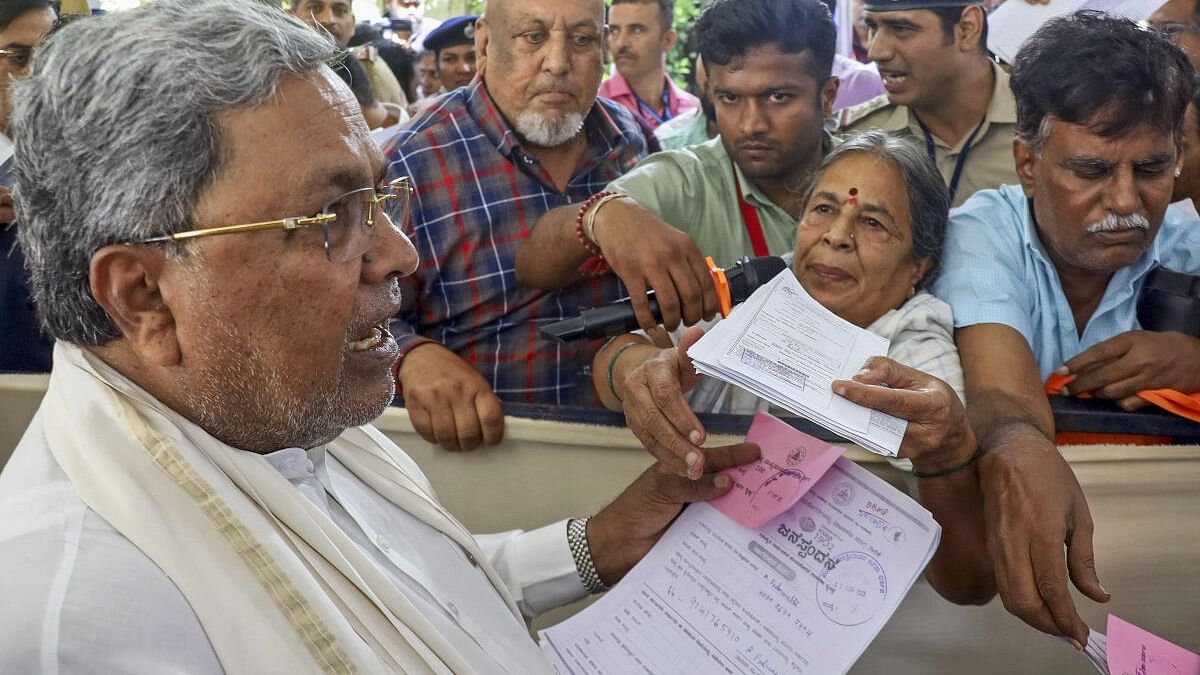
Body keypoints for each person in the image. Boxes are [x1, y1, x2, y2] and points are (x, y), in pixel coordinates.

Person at [0, 1, 757, 671]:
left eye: (378, 196)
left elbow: (415, 585)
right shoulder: (78, 616)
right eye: (332, 218)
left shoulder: (274, 408)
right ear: (144, 295)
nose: (401, 254)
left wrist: (600, 542)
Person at [603, 132, 996, 604]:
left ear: (919, 266)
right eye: (824, 209)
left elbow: (969, 583)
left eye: (872, 222)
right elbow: (619, 353)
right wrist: (638, 372)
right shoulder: (765, 286)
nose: (836, 236)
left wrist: (946, 455)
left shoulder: (915, 347)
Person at [930, 11, 1200, 643]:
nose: (1128, 202)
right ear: (1028, 163)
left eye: (1152, 169)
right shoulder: (981, 234)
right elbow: (1000, 394)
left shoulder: (1187, 245)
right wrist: (1020, 447)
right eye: (1093, 171)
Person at [383, 0, 651, 452]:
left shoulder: (631, 143)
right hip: (479, 466)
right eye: (533, 37)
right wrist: (411, 356)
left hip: (626, 453)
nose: (558, 63)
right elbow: (352, 316)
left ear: (604, 47)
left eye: (582, 40)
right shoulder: (410, 163)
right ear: (485, 44)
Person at [516, 0, 838, 333]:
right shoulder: (682, 180)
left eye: (778, 97)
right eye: (730, 98)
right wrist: (601, 217)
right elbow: (532, 265)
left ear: (828, 96)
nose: (751, 124)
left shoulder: (878, 180)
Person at [840, 0, 1017, 208]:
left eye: (900, 29)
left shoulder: (1043, 128)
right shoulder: (857, 135)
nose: (876, 52)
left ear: (968, 28)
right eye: (872, 27)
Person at [0, 0, 56, 373]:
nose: (38, 74)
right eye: (19, 57)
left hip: (50, 387)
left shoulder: (86, 159)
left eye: (50, 56)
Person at [599, 0, 699, 133]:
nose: (620, 43)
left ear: (668, 40)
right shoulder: (596, 107)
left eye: (636, 30)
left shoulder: (693, 111)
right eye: (614, 31)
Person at [290, 0, 409, 108]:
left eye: (340, 10)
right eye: (314, 8)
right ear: (289, 18)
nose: (329, 19)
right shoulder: (276, 78)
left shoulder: (370, 69)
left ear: (352, 25)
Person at [418, 15, 479, 99]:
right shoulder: (426, 111)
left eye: (472, 58)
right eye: (450, 59)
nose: (463, 69)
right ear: (437, 66)